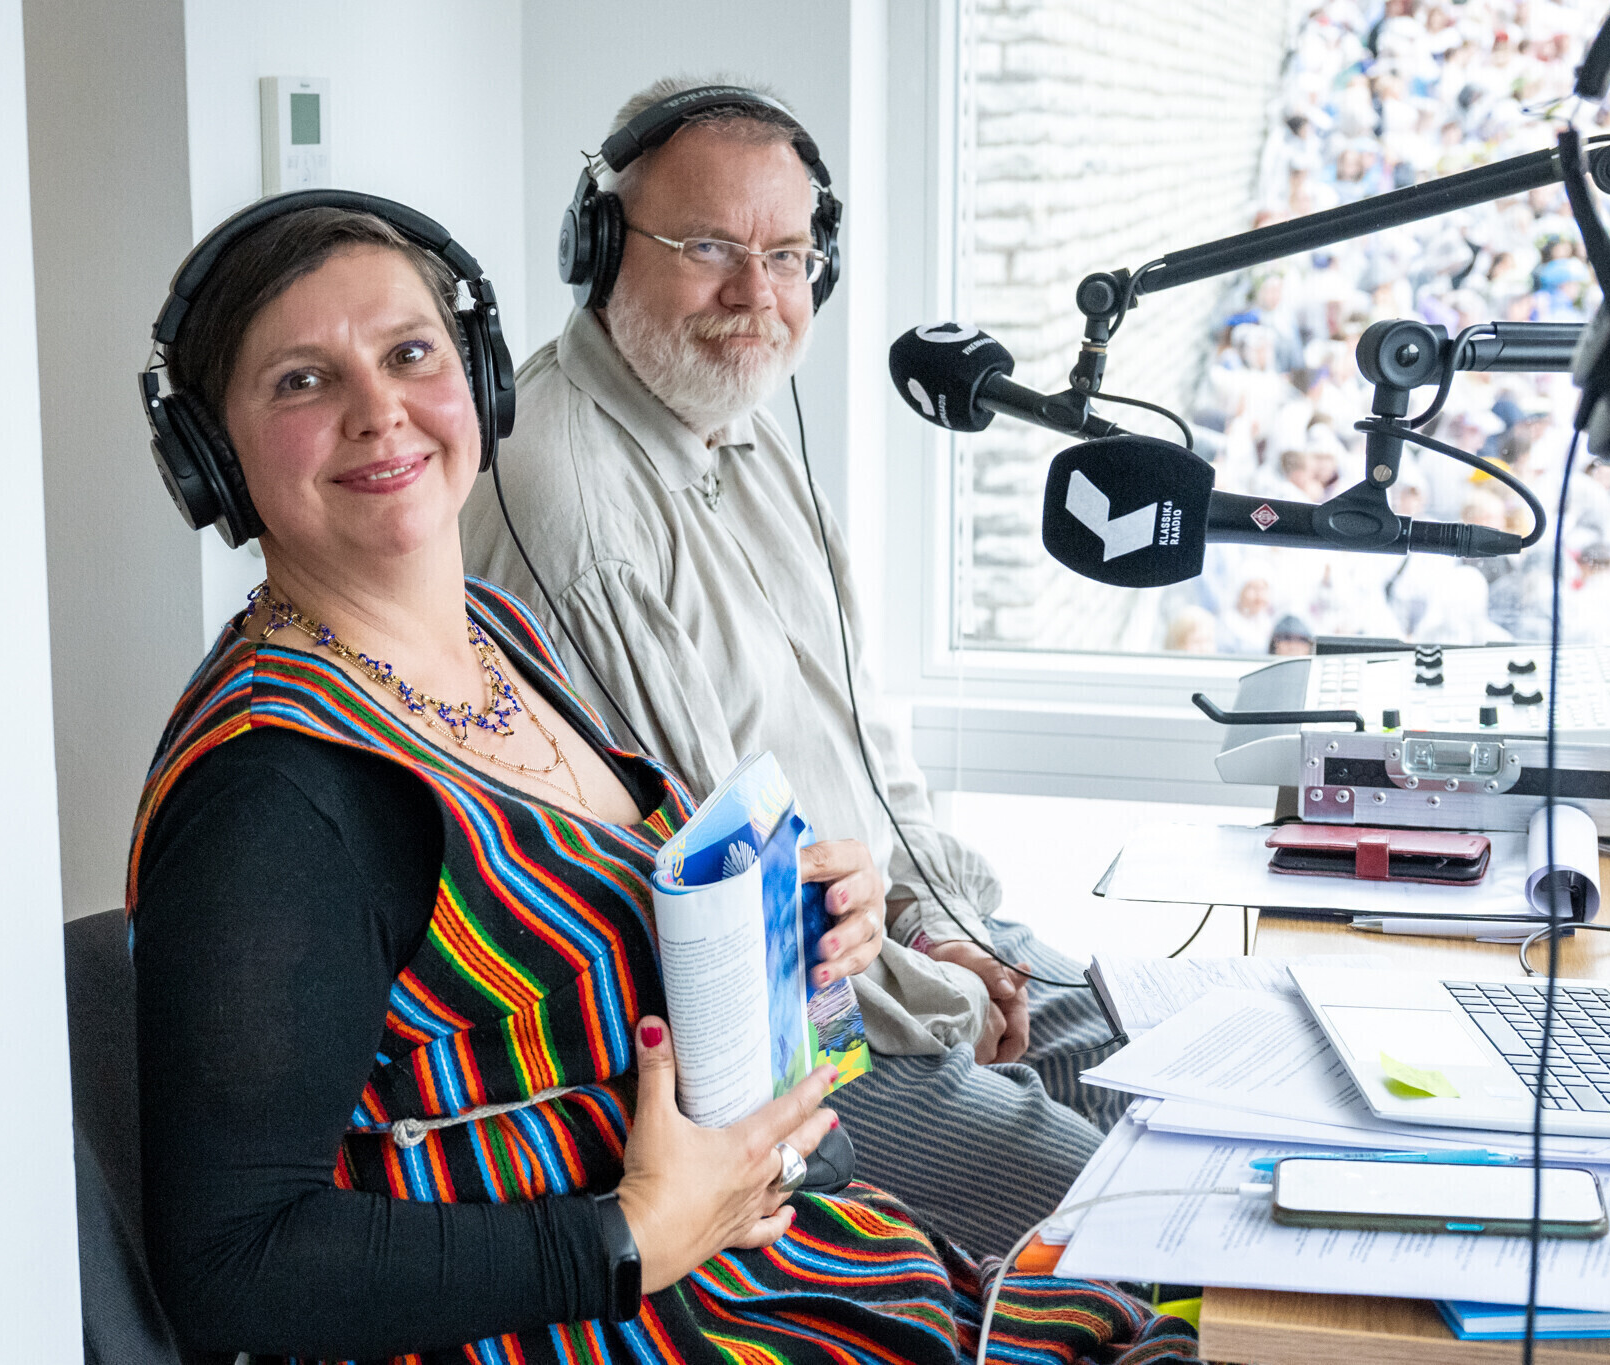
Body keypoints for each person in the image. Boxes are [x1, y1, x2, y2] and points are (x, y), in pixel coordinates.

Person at [130, 197, 1197, 1363]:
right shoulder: (275, 792)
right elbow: (232, 1271)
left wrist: (795, 946)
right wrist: (626, 1238)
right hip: (620, 1328)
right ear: (210, 459)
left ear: (477, 376)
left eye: (410, 353)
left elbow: (628, 1029)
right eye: (301, 380)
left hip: (796, 1275)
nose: (378, 409)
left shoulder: (496, 638)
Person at [458, 80, 1122, 1256]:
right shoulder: (569, 502)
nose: (755, 296)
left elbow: (864, 746)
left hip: (893, 949)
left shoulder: (745, 428)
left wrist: (941, 926)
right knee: (1136, 1216)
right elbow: (730, 906)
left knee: (1169, 1091)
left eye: (787, 257)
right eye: (709, 248)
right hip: (793, 1041)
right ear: (597, 249)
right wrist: (936, 983)